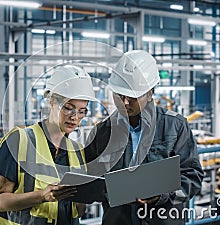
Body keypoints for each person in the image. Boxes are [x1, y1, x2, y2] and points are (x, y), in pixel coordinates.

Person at [85, 50, 204, 225]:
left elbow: (192, 177)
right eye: (119, 95)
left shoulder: (175, 126)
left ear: (150, 93)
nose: (124, 102)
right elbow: (89, 182)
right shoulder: (101, 133)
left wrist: (162, 196)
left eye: (132, 97)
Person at [0, 65, 98, 225]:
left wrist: (87, 194)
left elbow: (80, 211)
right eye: (69, 108)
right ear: (51, 102)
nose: (75, 117)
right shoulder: (19, 141)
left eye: (82, 111)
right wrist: (42, 196)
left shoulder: (77, 151)